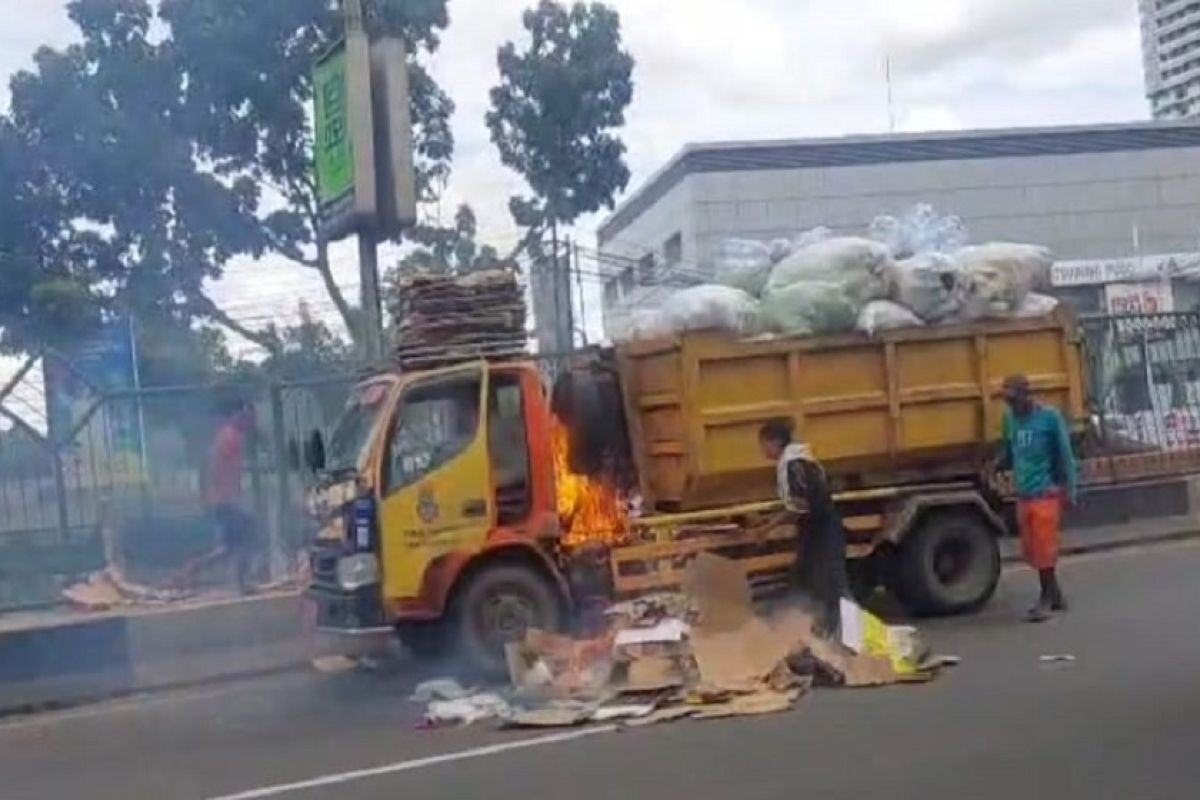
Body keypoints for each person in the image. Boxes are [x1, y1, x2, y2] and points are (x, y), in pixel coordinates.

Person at [1000, 374, 1078, 623]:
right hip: (1024, 493)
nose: (1012, 406)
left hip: (1046, 492)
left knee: (1044, 548)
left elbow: (1065, 455)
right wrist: (995, 465)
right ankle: (1056, 595)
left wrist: (1071, 490)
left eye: (1014, 400)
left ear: (1027, 395)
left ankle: (1045, 599)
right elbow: (1009, 451)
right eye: (1008, 401)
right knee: (1032, 549)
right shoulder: (1010, 419)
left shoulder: (1049, 418)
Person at [759, 418, 847, 638]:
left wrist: (768, 527)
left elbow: (799, 506)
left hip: (821, 530)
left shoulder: (792, 464)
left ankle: (834, 631)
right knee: (806, 579)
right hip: (816, 528)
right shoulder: (797, 459)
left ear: (775, 442)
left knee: (826, 582)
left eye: (764, 444)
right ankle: (810, 628)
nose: (763, 450)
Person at [172, 397, 258, 593]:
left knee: (228, 548)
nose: (250, 421)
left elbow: (227, 467)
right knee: (247, 536)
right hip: (226, 500)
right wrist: (230, 497)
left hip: (224, 499)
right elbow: (219, 470)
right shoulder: (231, 437)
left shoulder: (230, 435)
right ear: (237, 414)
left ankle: (190, 570)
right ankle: (243, 583)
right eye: (247, 416)